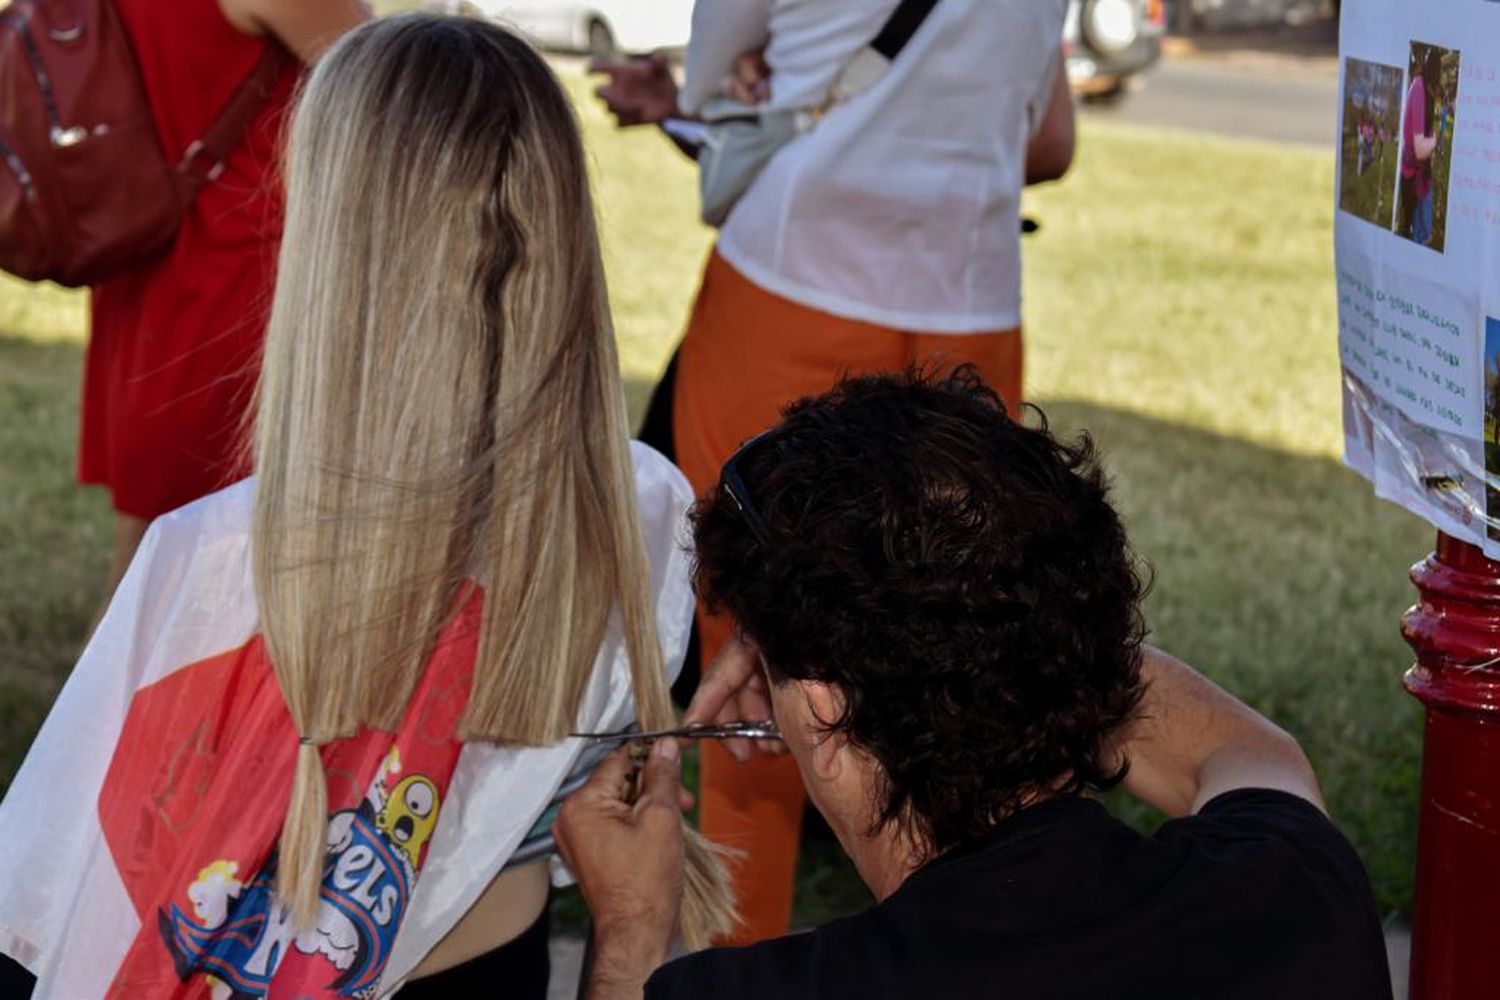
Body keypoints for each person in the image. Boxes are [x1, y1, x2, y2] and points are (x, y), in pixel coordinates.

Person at [0, 16, 730, 998]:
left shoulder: (212, 560)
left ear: (327, 235)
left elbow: (43, 908)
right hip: (494, 962)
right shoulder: (643, 507)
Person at [554, 368, 1394, 999]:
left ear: (823, 709)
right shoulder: (1286, 892)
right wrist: (1028, 637)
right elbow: (1244, 750)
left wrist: (630, 933)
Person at [592, 0, 1074, 945]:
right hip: (968, 301)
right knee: (970, 656)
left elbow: (713, 79)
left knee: (754, 665)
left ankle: (744, 955)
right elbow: (1049, 140)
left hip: (791, 285)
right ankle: (976, 950)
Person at [85, 0, 368, 601]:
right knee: (220, 556)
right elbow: (392, 86)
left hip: (150, 251)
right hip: (238, 273)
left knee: (154, 554)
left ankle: (107, 688)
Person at [1399, 49, 1440, 247]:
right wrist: (1435, 140)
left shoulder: (1421, 87)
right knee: (1420, 235)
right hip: (1413, 174)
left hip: (1420, 173)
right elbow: (1420, 150)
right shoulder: (1419, 88)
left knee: (1421, 231)